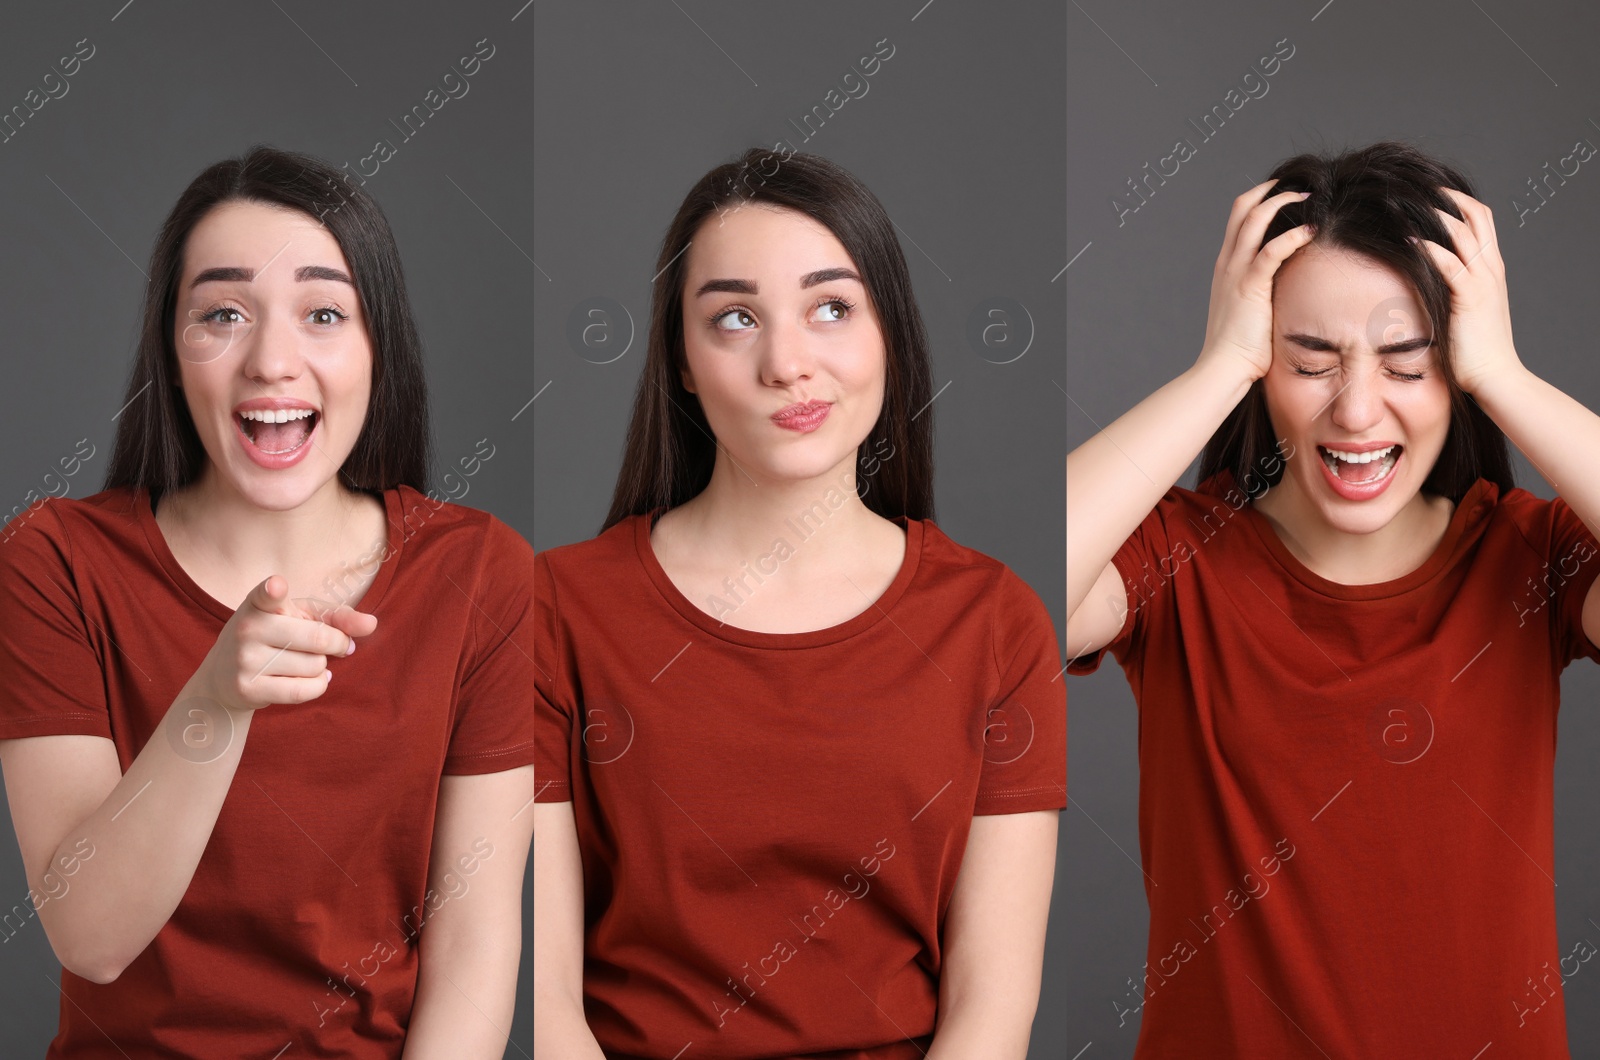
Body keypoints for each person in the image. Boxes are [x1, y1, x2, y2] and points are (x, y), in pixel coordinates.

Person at [1066, 140, 1600, 1057]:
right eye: (1308, 360)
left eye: (1407, 362)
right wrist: (1216, 368)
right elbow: (986, 610)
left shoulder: (1528, 558)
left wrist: (1503, 376)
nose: (1356, 411)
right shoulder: (1174, 557)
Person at [0, 145, 534, 1057]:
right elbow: (89, 940)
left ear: (379, 348)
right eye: (223, 314)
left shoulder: (483, 570)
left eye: (324, 313)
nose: (273, 362)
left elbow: (475, 947)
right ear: (172, 352)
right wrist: (212, 703)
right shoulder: (53, 561)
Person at [534, 147, 1066, 1059]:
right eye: (736, 317)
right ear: (684, 365)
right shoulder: (554, 608)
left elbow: (992, 1012)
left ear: (889, 334)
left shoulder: (994, 622)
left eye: (831, 307)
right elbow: (541, 1004)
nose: (787, 363)